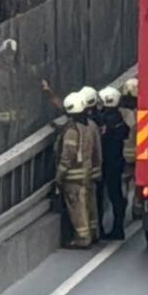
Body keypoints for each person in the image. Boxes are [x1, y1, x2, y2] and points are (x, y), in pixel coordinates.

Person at [56, 91, 102, 248]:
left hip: (73, 177)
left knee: (77, 208)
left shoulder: (71, 131)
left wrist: (59, 176)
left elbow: (67, 156)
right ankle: (93, 232)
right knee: (89, 204)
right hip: (88, 173)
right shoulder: (90, 125)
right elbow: (97, 151)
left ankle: (82, 238)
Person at [95, 86, 130, 240]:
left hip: (104, 163)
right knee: (116, 195)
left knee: (99, 196)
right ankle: (118, 228)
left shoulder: (102, 120)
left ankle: (100, 229)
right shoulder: (120, 120)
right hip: (116, 162)